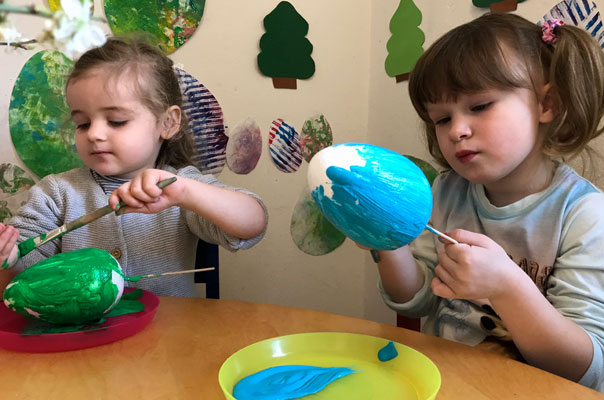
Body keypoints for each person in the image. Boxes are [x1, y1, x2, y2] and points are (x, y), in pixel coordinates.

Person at [372, 13, 604, 391]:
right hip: (449, 385)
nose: (457, 130)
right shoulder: (445, 192)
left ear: (547, 104)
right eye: (442, 118)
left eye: (479, 106)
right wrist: (388, 242)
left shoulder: (586, 216)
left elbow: (586, 371)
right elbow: (416, 304)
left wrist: (506, 286)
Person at [0, 36, 268, 297]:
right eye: (82, 123)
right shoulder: (56, 193)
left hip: (170, 334)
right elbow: (21, 283)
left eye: (116, 121)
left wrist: (187, 193)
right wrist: (8, 258)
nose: (94, 134)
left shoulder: (182, 188)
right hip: (83, 337)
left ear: (167, 123)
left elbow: (253, 222)